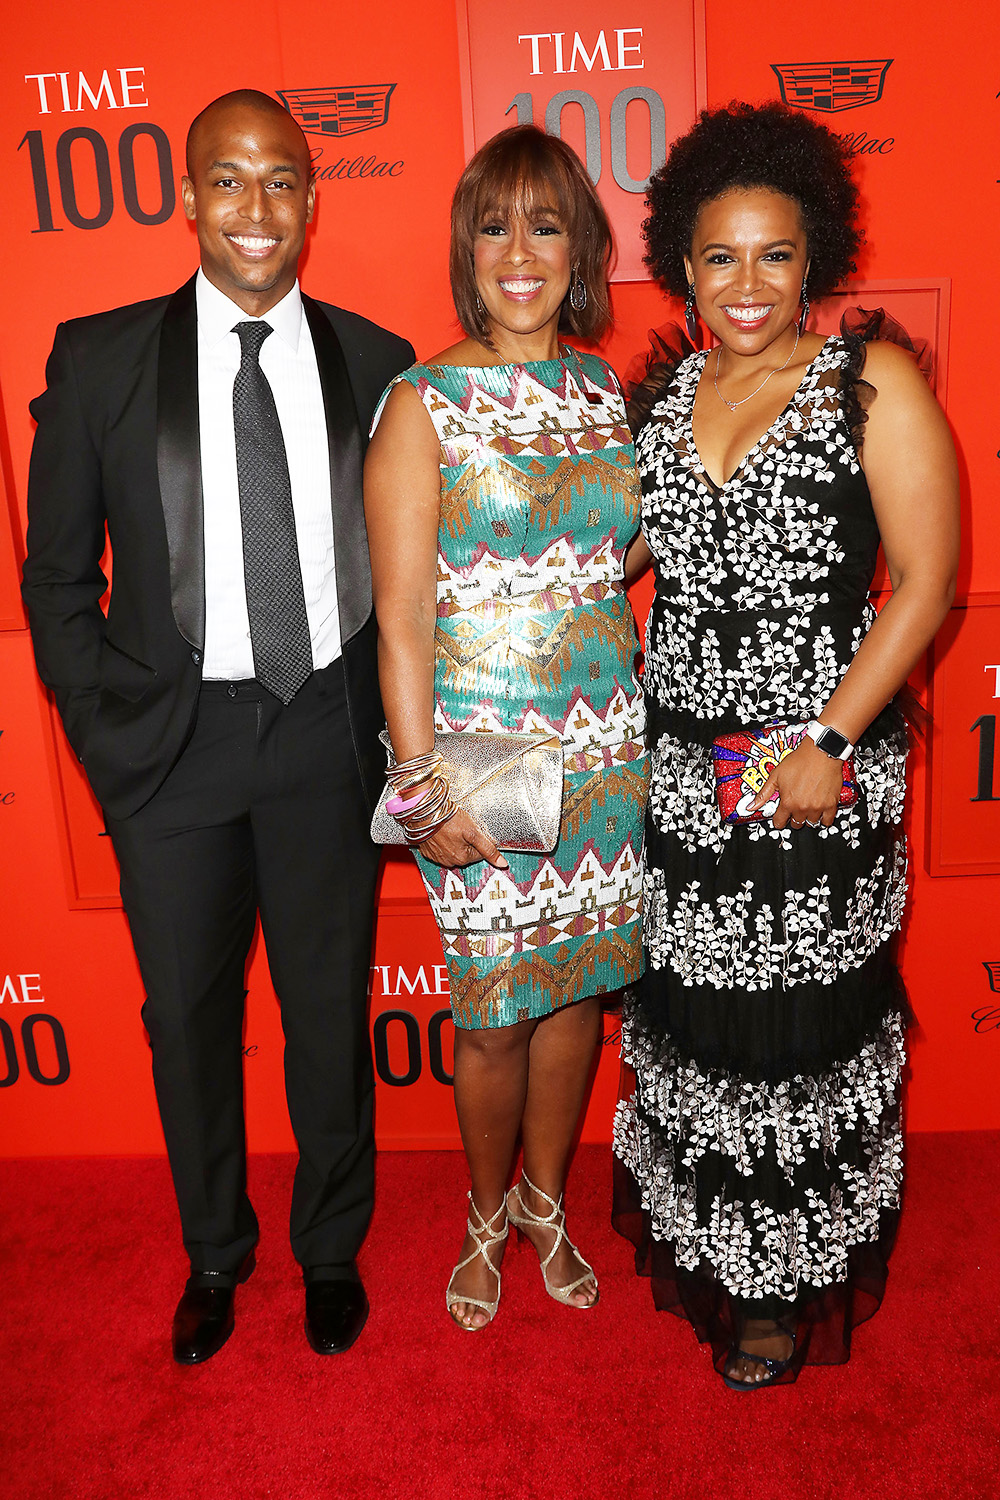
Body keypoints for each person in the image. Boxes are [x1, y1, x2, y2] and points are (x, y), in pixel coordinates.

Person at [22, 90, 413, 1363]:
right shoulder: (99, 358)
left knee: (322, 1012)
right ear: (187, 197)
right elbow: (55, 581)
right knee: (186, 1017)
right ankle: (213, 1253)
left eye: (283, 181)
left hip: (323, 737)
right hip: (170, 755)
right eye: (229, 181)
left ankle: (330, 1248)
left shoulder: (379, 360)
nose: (257, 208)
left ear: (312, 198)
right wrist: (106, 739)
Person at [613, 102, 959, 1388]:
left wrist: (827, 738)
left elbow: (923, 581)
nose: (745, 284)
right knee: (704, 1024)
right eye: (718, 257)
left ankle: (786, 1286)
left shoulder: (870, 385)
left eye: (772, 254)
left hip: (817, 769)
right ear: (682, 267)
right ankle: (718, 1246)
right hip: (684, 779)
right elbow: (612, 556)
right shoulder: (661, 396)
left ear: (812, 257)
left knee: (804, 1027)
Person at [364, 124, 648, 1330]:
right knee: (489, 1013)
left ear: (579, 244)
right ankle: (485, 1215)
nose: (519, 252)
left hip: (604, 745)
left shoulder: (596, 388)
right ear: (465, 249)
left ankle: (546, 1204)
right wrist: (424, 794)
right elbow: (401, 628)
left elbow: (611, 552)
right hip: (484, 757)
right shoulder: (420, 405)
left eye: (545, 225)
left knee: (576, 996)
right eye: (495, 226)